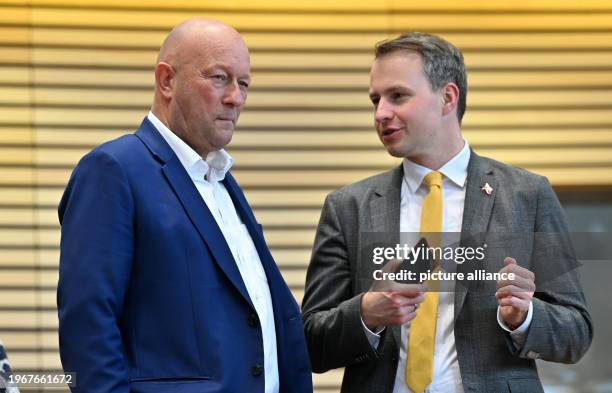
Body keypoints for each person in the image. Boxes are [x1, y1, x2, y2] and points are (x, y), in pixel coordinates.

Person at [302, 32, 593, 393]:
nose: (381, 113)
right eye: (375, 99)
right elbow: (311, 343)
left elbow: (576, 332)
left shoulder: (527, 194)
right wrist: (368, 312)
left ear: (447, 97)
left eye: (398, 96)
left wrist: (524, 316)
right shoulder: (348, 207)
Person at [57, 18, 312, 393]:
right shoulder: (114, 170)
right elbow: (87, 327)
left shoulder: (220, 179)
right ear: (166, 81)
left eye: (244, 84)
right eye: (219, 78)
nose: (235, 98)